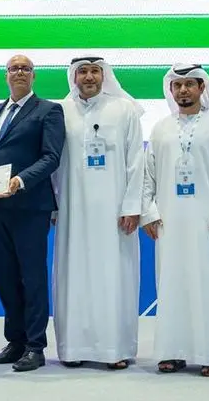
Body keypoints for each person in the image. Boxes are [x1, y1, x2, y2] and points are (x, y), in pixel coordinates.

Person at [0, 54, 66, 372]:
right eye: (13, 68)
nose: (19, 73)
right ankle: (15, 342)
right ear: (6, 75)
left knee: (32, 278)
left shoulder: (49, 110)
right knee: (5, 277)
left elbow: (51, 157)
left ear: (33, 76)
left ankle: (35, 347)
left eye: (25, 69)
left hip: (31, 206)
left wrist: (20, 181)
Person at [140, 63, 209, 377]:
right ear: (171, 90)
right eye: (177, 85)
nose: (183, 90)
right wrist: (149, 213)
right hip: (169, 224)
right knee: (173, 287)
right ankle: (172, 352)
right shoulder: (161, 128)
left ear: (202, 88)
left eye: (189, 84)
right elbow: (148, 176)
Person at [52, 56, 146, 370]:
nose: (89, 77)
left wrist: (132, 206)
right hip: (73, 211)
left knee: (113, 275)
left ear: (104, 76)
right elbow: (53, 164)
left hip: (115, 212)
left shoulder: (124, 109)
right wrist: (55, 204)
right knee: (74, 276)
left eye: (95, 71)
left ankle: (114, 348)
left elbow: (136, 161)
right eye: (83, 72)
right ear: (73, 77)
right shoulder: (60, 111)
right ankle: (73, 348)